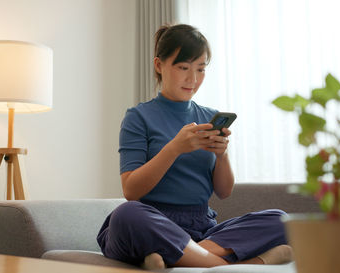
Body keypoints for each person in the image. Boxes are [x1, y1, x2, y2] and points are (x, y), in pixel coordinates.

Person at [97, 23, 292, 269]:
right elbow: (131, 191)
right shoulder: (138, 117)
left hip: (201, 226)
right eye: (183, 68)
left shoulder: (209, 116)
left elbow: (224, 192)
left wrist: (222, 156)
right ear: (159, 66)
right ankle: (231, 264)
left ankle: (173, 255)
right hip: (152, 220)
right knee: (126, 216)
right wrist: (174, 148)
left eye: (200, 69)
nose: (193, 79)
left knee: (281, 220)